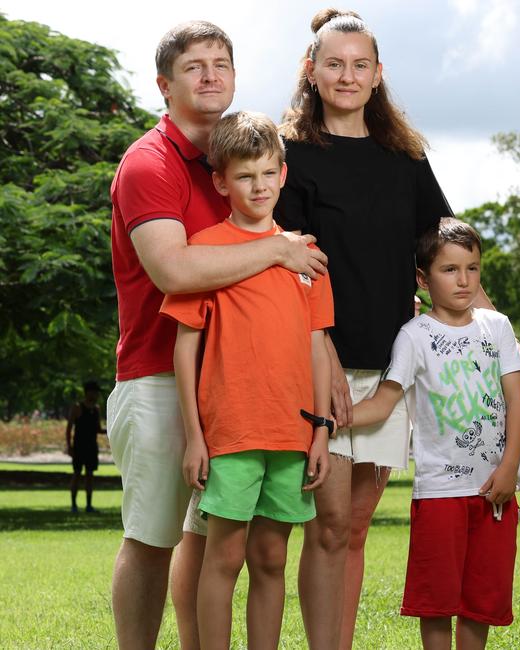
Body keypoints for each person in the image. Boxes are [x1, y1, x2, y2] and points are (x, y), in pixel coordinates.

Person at [107, 21, 327, 650]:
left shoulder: (234, 162)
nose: (210, 76)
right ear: (164, 84)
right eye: (194, 66)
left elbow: (295, 294)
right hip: (157, 375)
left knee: (206, 540)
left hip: (234, 387)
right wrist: (277, 252)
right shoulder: (150, 163)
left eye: (221, 64)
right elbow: (174, 268)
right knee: (153, 539)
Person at [274, 9, 460, 649]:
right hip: (317, 361)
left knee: (353, 527)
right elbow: (292, 271)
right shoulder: (291, 156)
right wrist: (319, 356)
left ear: (378, 75)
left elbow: (443, 251)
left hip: (388, 370)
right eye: (334, 63)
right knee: (326, 524)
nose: (347, 75)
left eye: (360, 65)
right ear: (312, 70)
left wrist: (491, 335)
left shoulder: (405, 160)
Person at [160, 111, 334, 650]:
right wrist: (194, 436)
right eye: (243, 176)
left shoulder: (305, 255)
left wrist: (323, 429)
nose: (257, 186)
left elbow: (316, 345)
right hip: (230, 430)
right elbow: (185, 346)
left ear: (283, 174)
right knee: (225, 556)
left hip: (292, 431)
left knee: (271, 558)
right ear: (220, 182)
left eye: (267, 173)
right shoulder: (205, 249)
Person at [353, 218, 520, 650]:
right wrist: (331, 416)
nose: (463, 279)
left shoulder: (498, 327)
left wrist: (509, 469)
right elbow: (383, 403)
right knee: (436, 602)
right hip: (438, 494)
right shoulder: (414, 337)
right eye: (450, 269)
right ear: (423, 278)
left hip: (495, 490)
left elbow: (517, 402)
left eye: (472, 267)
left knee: (480, 600)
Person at [65, 380, 105, 513]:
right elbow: (69, 428)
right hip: (79, 447)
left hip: (91, 447)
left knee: (89, 476)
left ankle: (89, 505)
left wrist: (112, 430)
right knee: (76, 474)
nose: (96, 395)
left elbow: (98, 429)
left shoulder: (96, 409)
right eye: (94, 392)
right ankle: (73, 505)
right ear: (88, 392)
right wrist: (69, 446)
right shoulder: (77, 407)